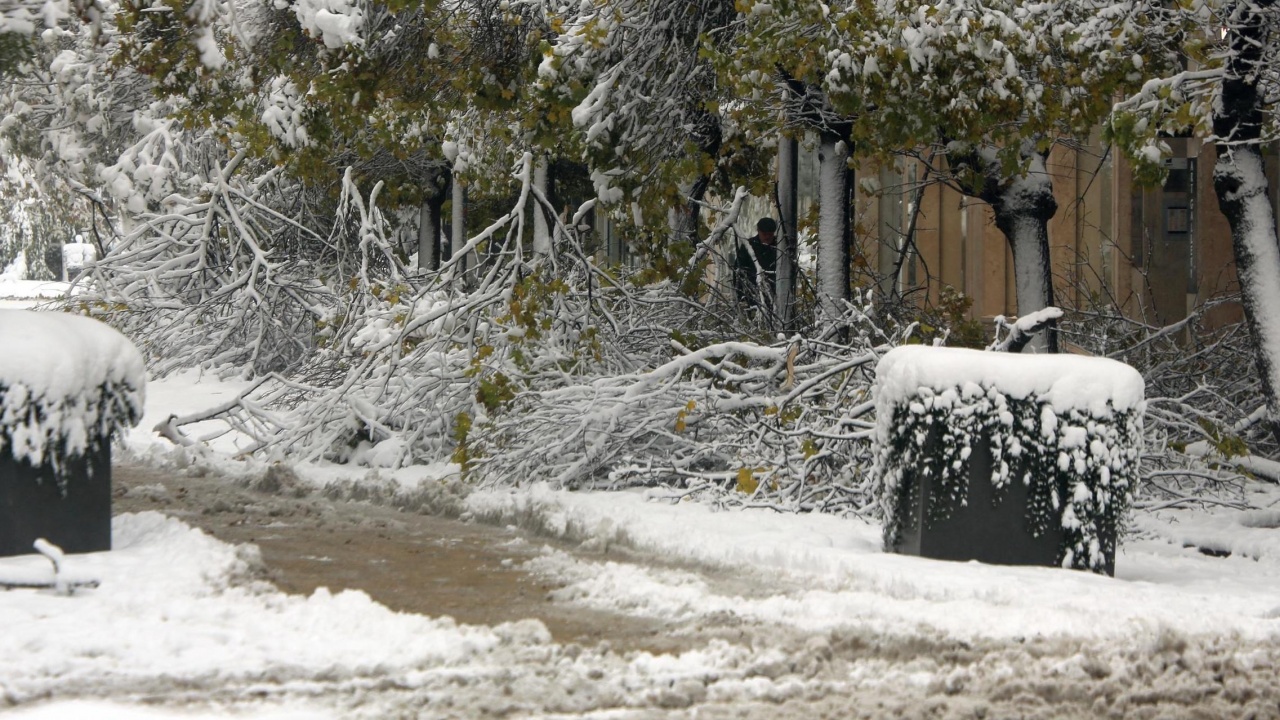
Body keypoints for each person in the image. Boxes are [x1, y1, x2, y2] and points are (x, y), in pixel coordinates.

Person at [734, 217, 778, 310]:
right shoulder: (748, 246)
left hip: (776, 294)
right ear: (758, 231)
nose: (767, 237)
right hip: (752, 294)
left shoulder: (779, 246)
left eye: (770, 234)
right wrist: (741, 296)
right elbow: (738, 271)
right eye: (764, 234)